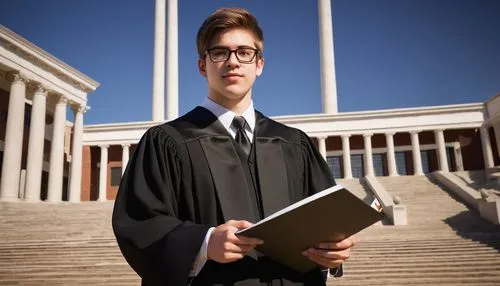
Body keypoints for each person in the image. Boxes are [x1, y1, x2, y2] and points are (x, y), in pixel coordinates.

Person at [112, 7, 355, 286]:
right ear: (202, 65)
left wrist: (334, 250)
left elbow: (326, 219)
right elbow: (141, 225)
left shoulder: (293, 143)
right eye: (219, 52)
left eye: (244, 52)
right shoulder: (167, 142)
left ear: (259, 64)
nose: (233, 62)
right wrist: (204, 243)